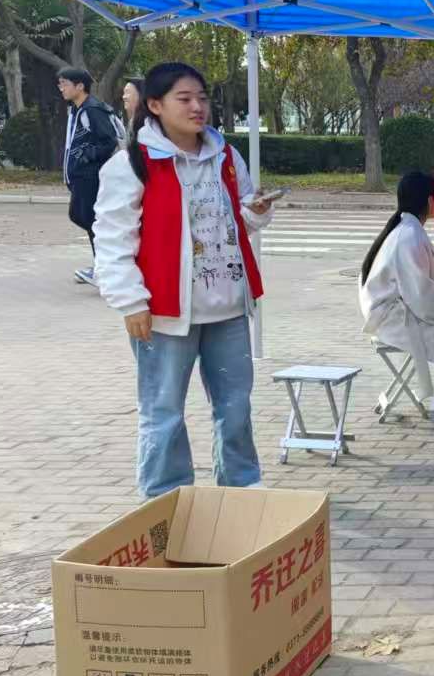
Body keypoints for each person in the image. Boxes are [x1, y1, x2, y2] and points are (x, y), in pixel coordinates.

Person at [93, 62, 275, 498]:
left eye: (202, 98)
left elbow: (236, 218)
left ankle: (241, 491)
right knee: (164, 412)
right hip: (164, 314)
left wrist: (255, 211)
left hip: (228, 308)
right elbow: (113, 239)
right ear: (155, 105)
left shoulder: (225, 156)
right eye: (185, 99)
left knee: (235, 408)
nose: (197, 107)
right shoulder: (133, 164)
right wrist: (131, 301)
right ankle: (165, 499)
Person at [359, 169, 434, 401]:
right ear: (430, 201)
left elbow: (422, 295)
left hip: (400, 314)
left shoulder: (405, 230)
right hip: (398, 321)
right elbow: (422, 298)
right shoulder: (409, 236)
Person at [60, 66, 122, 286]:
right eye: (60, 84)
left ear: (80, 86)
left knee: (89, 218)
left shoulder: (92, 110)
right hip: (80, 177)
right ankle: (104, 268)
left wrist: (86, 157)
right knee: (84, 217)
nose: (61, 88)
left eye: (65, 83)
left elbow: (109, 141)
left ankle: (105, 270)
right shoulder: (78, 110)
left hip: (91, 176)